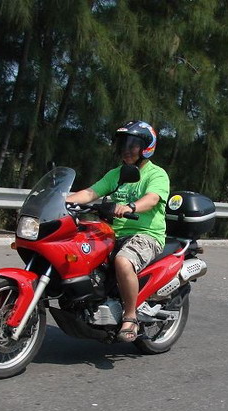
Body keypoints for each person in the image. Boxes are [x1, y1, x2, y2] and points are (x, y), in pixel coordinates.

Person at [68, 120, 170, 342]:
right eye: (123, 144)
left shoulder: (156, 174)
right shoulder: (116, 173)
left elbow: (152, 199)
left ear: (146, 147)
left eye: (132, 144)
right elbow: (90, 192)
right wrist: (62, 200)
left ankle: (130, 316)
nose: (126, 149)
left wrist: (131, 207)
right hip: (112, 232)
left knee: (123, 261)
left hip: (145, 234)